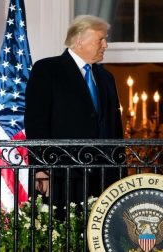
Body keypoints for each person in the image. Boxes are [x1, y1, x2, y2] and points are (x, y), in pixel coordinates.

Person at [24, 15, 124, 216]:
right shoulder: (47, 69)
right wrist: (40, 170)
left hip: (103, 177)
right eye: (100, 39)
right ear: (79, 40)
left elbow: (115, 128)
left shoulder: (106, 78)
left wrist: (120, 173)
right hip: (62, 174)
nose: (105, 45)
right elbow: (36, 122)